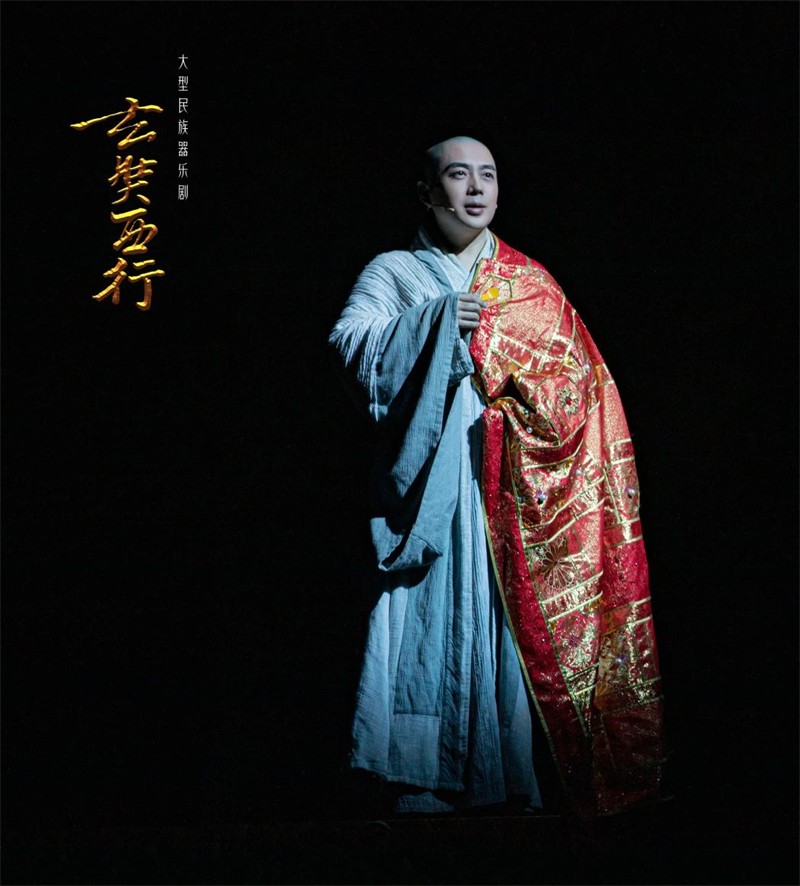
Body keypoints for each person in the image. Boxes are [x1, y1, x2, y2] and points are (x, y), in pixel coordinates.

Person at [329, 136, 665, 817]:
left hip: (512, 486)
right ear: (428, 193)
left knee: (507, 624)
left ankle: (512, 777)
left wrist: (527, 419)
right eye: (459, 176)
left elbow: (580, 384)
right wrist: (430, 325)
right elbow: (350, 347)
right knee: (423, 617)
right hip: (432, 480)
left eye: (488, 175)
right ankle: (418, 776)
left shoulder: (528, 283)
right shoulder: (395, 271)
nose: (477, 188)